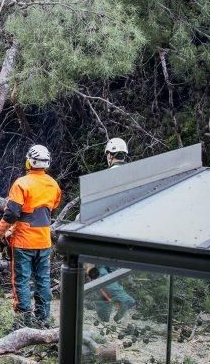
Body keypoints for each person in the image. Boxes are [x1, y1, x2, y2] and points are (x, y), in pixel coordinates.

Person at [0, 144, 62, 328]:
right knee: (43, 279)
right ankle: (43, 319)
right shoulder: (53, 184)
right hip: (44, 241)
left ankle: (24, 320)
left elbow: (12, 213)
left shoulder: (21, 183)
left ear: (29, 161)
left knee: (22, 280)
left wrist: (0, 231)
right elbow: (50, 209)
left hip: (23, 242)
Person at [86, 137, 137, 323]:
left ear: (110, 155)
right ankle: (104, 316)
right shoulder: (135, 176)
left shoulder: (105, 178)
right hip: (127, 231)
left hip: (107, 229)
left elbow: (97, 206)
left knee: (97, 270)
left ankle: (124, 300)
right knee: (111, 271)